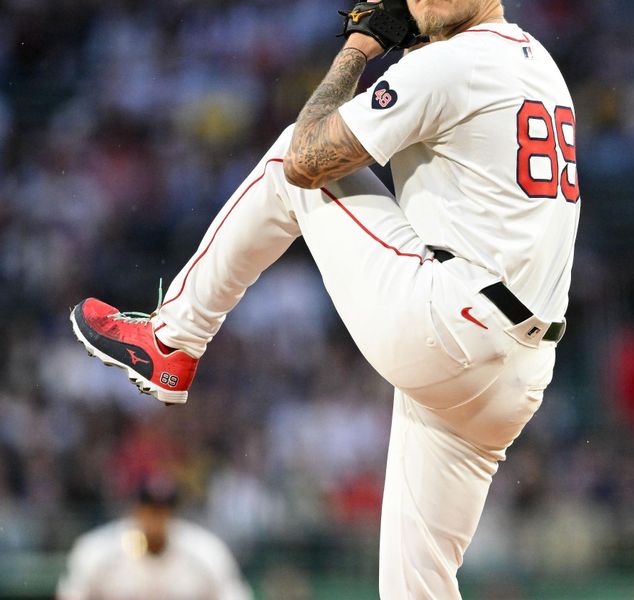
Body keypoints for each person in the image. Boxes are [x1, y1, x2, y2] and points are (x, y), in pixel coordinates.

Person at [70, 0, 581, 597]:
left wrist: (361, 47)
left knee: (291, 153)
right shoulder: (539, 62)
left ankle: (172, 339)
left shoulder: (451, 63)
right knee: (414, 589)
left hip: (452, 325)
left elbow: (310, 159)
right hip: (518, 372)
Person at [56, 478, 252, 600]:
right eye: (150, 509)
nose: (156, 518)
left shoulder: (205, 551)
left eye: (163, 510)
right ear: (136, 510)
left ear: (173, 513)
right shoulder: (99, 549)